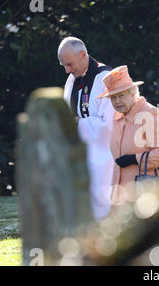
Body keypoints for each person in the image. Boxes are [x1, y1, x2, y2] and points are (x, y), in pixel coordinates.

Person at [98, 65, 159, 205]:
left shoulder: (149, 113)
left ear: (133, 93)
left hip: (148, 195)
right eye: (113, 97)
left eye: (121, 95)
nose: (117, 101)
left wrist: (134, 159)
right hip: (122, 197)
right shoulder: (117, 117)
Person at [58, 37, 115, 220]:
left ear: (83, 55)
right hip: (78, 153)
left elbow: (111, 122)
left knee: (101, 203)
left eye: (69, 64)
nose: (67, 70)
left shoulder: (106, 78)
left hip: (103, 156)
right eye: (64, 66)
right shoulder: (71, 80)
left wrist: (79, 124)